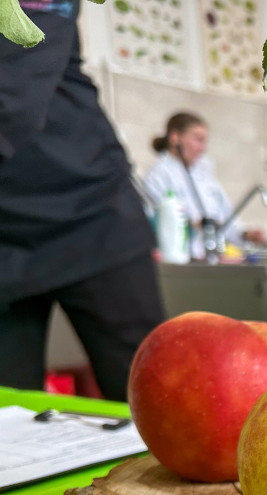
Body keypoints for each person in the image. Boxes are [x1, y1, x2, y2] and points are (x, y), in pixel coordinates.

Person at [0, 0, 165, 401]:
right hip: (5, 238)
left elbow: (13, 88)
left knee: (152, 404)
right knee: (9, 425)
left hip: (92, 214)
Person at [143, 112, 266, 260]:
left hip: (211, 258)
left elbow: (226, 216)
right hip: (181, 261)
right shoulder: (158, 176)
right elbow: (157, 224)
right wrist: (193, 225)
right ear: (175, 138)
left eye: (204, 141)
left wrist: (245, 234)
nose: (203, 148)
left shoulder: (204, 176)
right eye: (198, 139)